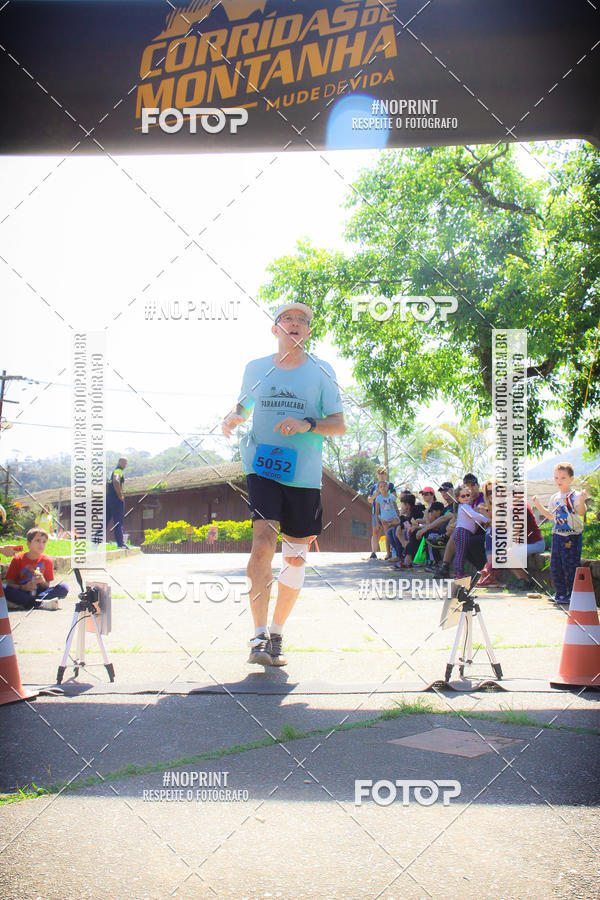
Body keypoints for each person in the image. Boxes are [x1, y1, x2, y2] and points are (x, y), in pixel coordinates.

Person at [222, 301, 346, 666]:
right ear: (275, 329)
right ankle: (258, 635)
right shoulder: (256, 368)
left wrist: (308, 423)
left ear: (308, 332)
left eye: (302, 320)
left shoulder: (322, 371)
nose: (295, 324)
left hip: (304, 475)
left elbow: (338, 424)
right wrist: (231, 419)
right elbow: (242, 409)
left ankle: (276, 632)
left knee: (294, 558)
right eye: (287, 319)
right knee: (262, 542)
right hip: (262, 466)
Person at [532, 462, 586, 605]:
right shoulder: (554, 497)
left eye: (563, 478)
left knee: (570, 565)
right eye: (556, 478)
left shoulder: (575, 495)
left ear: (571, 479)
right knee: (555, 564)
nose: (559, 481)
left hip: (572, 535)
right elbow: (550, 516)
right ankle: (560, 593)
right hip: (557, 534)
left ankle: (572, 593)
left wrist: (581, 501)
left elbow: (581, 512)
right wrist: (538, 505)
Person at [3, 528, 68, 610]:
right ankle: (40, 603)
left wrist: (42, 581)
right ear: (29, 543)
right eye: (38, 540)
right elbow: (9, 584)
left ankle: (30, 603)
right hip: (21, 591)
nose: (41, 544)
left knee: (63, 587)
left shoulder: (47, 561)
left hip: (38, 592)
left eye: (44, 542)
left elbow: (46, 586)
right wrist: (24, 587)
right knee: (3, 587)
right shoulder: (18, 559)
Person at [366, 468, 396, 559]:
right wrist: (376, 495)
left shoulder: (390, 485)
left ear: (386, 474)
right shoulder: (374, 486)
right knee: (375, 532)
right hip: (376, 512)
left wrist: (385, 492)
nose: (381, 474)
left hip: (388, 513)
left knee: (389, 532)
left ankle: (390, 551)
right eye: (379, 473)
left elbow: (395, 496)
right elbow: (370, 500)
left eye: (382, 473)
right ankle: (373, 552)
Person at [374, 482, 402, 561]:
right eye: (381, 487)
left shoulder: (392, 497)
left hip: (393, 517)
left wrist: (399, 517)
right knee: (387, 535)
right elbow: (376, 512)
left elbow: (396, 507)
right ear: (379, 489)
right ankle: (388, 553)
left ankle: (396, 551)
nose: (383, 488)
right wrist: (378, 522)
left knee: (395, 533)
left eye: (384, 486)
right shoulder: (378, 498)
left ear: (387, 487)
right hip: (385, 519)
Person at [106, 457, 129, 549]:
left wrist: (109, 495)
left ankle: (95, 541)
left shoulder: (112, 471)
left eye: (126, 464)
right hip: (116, 500)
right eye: (124, 463)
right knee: (118, 522)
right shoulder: (118, 471)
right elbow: (116, 481)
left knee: (104, 521)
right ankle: (120, 544)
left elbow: (107, 484)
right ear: (119, 462)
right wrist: (120, 496)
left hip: (108, 498)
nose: (125, 465)